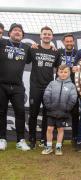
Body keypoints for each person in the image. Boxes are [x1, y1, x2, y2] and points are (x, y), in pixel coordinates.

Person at [28, 26, 59, 149]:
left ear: (52, 37)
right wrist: (31, 47)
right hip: (35, 87)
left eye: (49, 34)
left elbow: (59, 69)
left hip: (48, 88)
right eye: (44, 34)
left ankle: (44, 139)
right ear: (40, 36)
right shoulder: (33, 49)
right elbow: (25, 60)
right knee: (33, 114)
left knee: (47, 115)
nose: (46, 36)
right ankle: (32, 140)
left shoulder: (55, 51)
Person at [0, 23, 30, 151]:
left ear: (22, 35)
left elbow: (38, 54)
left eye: (20, 31)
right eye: (15, 30)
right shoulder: (2, 43)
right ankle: (2, 139)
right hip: (1, 84)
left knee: (20, 112)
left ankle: (20, 141)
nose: (17, 32)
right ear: (9, 33)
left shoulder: (27, 48)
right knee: (1, 113)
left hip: (18, 86)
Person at [42, 64, 77, 155]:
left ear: (69, 73)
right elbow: (46, 95)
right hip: (51, 111)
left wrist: (67, 109)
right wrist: (49, 106)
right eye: (61, 72)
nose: (63, 74)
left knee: (60, 130)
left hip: (63, 113)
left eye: (65, 72)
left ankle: (58, 147)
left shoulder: (72, 86)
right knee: (49, 129)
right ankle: (49, 147)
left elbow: (73, 99)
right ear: (57, 72)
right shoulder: (52, 83)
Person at [58, 33, 79, 147]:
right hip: (60, 87)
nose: (69, 43)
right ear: (63, 42)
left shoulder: (79, 53)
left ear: (73, 42)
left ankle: (75, 137)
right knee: (60, 113)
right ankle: (59, 139)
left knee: (75, 114)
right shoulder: (58, 52)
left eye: (71, 41)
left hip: (74, 87)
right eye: (67, 41)